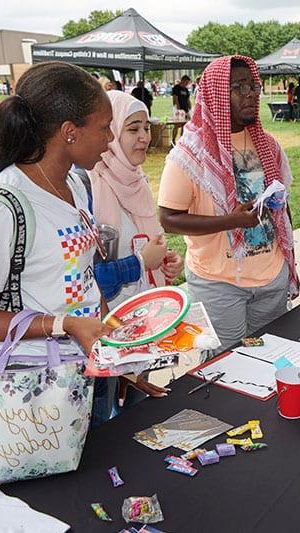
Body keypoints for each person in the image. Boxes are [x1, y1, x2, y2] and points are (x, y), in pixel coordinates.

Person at [0, 61, 112, 373]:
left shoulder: (73, 183)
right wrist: (65, 324)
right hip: (32, 382)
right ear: (70, 133)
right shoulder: (0, 207)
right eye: (104, 127)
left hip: (86, 364)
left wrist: (118, 350)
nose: (111, 138)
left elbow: (84, 276)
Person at [158, 56, 299, 350]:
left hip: (271, 279)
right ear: (216, 93)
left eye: (254, 86)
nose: (250, 94)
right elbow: (169, 218)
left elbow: (282, 205)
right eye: (239, 86)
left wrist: (287, 262)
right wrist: (230, 222)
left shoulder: (267, 144)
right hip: (219, 285)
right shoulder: (190, 154)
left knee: (268, 359)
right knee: (221, 370)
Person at [87, 90, 185, 421]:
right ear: (111, 132)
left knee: (137, 421)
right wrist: (143, 261)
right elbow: (91, 277)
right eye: (133, 129)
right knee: (104, 425)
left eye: (146, 127)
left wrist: (165, 263)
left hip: (142, 325)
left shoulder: (136, 181)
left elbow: (145, 243)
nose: (145, 137)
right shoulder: (92, 186)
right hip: (105, 332)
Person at [171, 75, 191, 144]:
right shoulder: (176, 88)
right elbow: (175, 98)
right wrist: (178, 109)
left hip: (185, 109)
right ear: (183, 80)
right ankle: (173, 140)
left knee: (184, 125)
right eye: (186, 82)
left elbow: (188, 100)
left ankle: (181, 140)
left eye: (188, 83)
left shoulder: (186, 90)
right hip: (178, 109)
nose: (187, 84)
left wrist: (190, 108)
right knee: (177, 125)